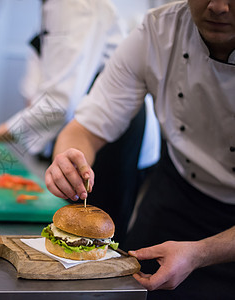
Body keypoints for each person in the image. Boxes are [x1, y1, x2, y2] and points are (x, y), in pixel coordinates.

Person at [45, 0, 235, 298]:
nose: (218, 7)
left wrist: (200, 253)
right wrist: (68, 157)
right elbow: (86, 128)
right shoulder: (158, 30)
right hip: (175, 194)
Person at [0, 0, 160, 242]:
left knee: (97, 238)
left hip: (112, 133)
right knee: (75, 232)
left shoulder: (72, 4)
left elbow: (58, 105)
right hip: (96, 124)